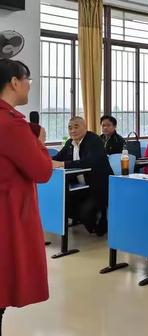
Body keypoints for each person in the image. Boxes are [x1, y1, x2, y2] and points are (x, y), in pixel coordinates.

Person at [0, 59, 52, 331]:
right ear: (14, 82)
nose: (30, 85)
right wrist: (40, 144)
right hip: (7, 217)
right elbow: (43, 171)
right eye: (28, 78)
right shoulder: (11, 125)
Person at [52, 116, 112, 236]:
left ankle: (101, 221)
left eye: (76, 127)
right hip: (78, 187)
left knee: (86, 213)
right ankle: (88, 220)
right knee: (62, 203)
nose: (72, 130)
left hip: (97, 186)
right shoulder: (70, 143)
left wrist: (62, 164)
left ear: (85, 127)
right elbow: (57, 158)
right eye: (70, 128)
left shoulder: (93, 140)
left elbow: (89, 162)